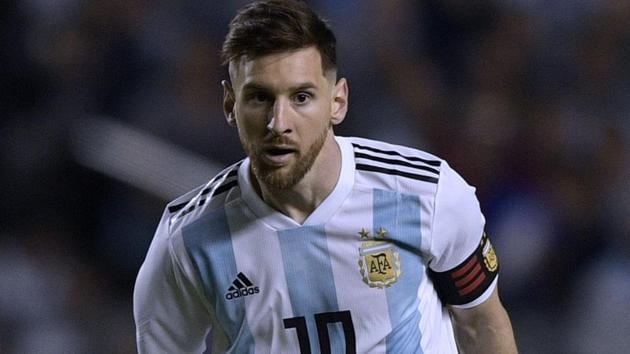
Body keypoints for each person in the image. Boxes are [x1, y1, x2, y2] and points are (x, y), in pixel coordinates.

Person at [133, 0, 518, 353]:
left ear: (337, 102)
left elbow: (481, 325)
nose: (278, 123)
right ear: (230, 104)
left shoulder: (426, 193)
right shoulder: (184, 239)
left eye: (301, 97)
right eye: (259, 98)